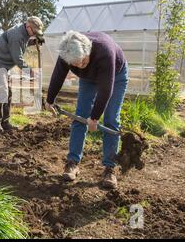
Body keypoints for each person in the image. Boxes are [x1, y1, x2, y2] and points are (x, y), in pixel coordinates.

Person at [45, 31, 128, 189]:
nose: (79, 66)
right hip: (89, 79)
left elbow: (106, 90)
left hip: (115, 76)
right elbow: (58, 75)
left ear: (87, 50)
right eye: (75, 65)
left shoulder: (105, 51)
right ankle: (72, 162)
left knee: (111, 120)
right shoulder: (67, 53)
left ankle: (110, 168)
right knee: (80, 116)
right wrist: (49, 100)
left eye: (82, 62)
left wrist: (95, 118)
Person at [0, 16, 44, 132]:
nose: (34, 34)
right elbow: (17, 58)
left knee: (9, 92)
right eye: (34, 32)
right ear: (28, 26)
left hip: (4, 65)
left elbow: (23, 43)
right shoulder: (16, 35)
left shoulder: (25, 33)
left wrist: (33, 41)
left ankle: (5, 122)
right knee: (3, 91)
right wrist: (30, 71)